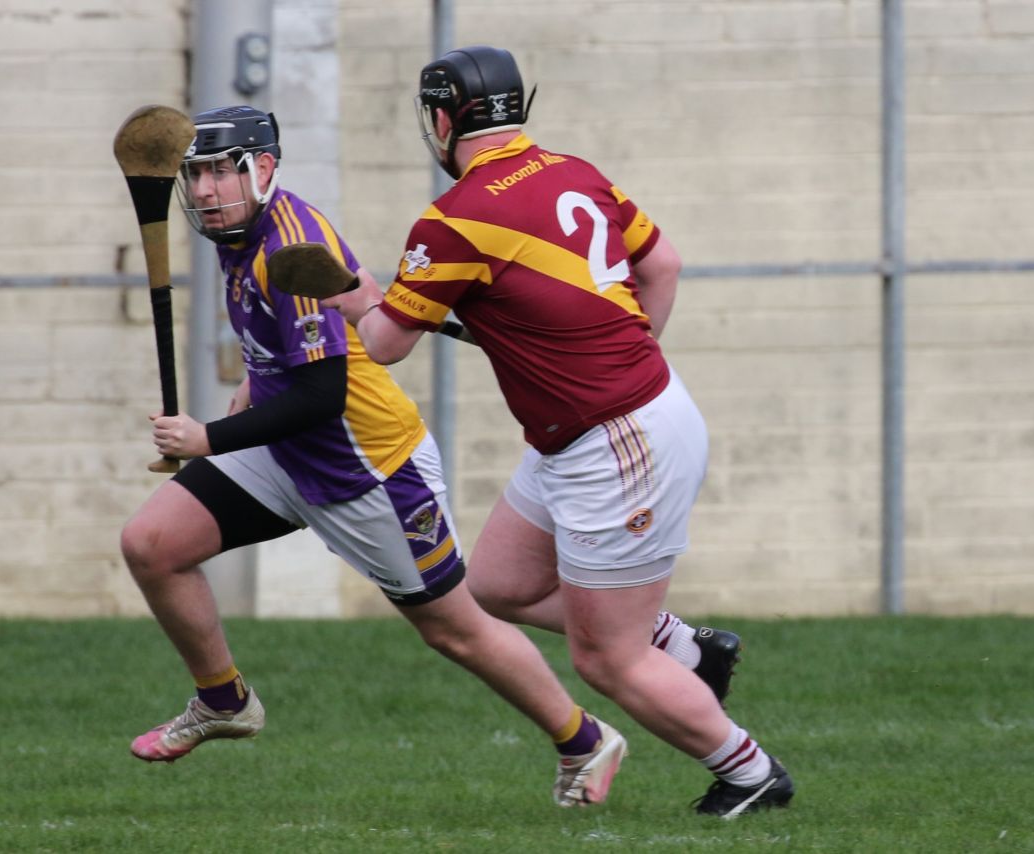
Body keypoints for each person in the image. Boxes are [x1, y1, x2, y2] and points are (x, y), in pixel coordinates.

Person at [120, 105, 744, 807]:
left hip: (370, 469)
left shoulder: (287, 241)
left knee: (458, 629)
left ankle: (585, 740)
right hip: (283, 452)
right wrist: (243, 398)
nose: (205, 191)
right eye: (195, 176)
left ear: (263, 169)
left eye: (220, 173)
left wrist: (206, 437)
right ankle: (224, 699)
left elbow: (325, 394)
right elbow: (290, 359)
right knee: (152, 543)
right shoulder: (240, 239)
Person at [321, 48, 796, 817]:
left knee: (606, 657)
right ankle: (685, 648)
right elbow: (663, 266)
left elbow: (383, 345)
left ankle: (749, 773)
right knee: (499, 586)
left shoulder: (454, 219)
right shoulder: (575, 170)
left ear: (442, 120)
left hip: (618, 439)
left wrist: (357, 303)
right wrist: (623, 359)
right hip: (595, 428)